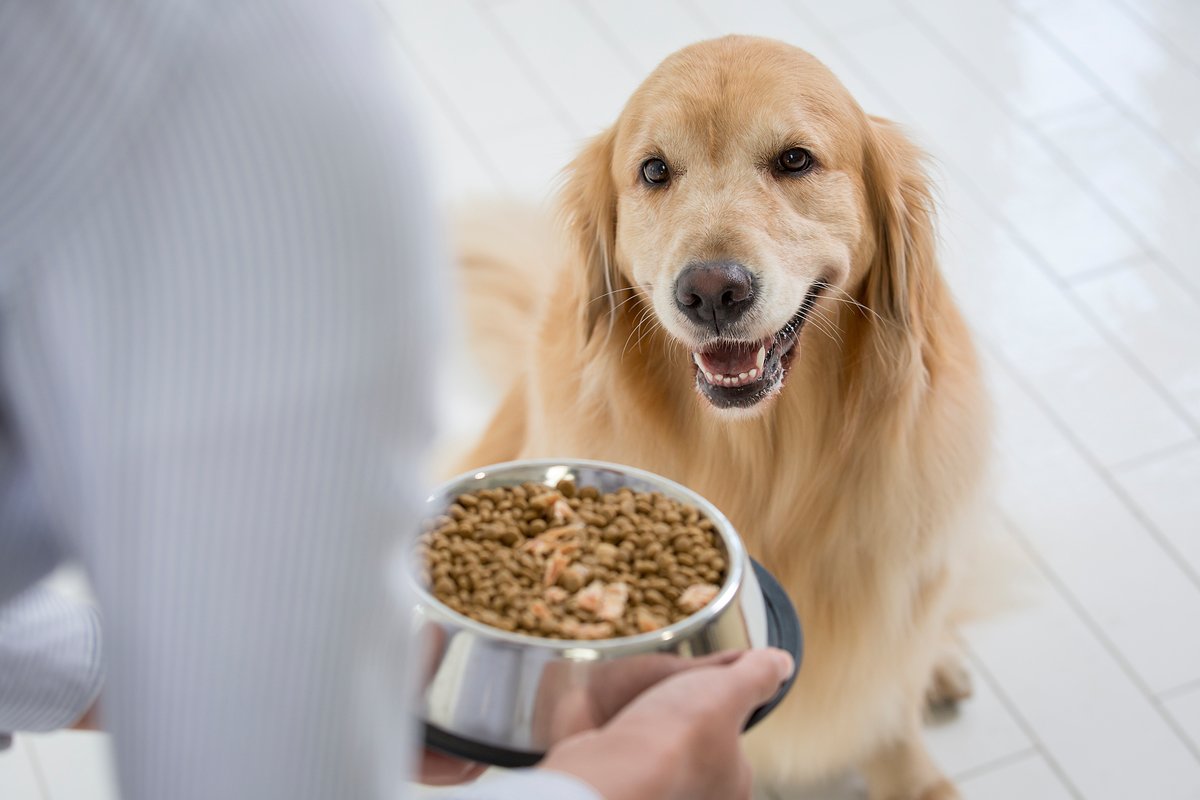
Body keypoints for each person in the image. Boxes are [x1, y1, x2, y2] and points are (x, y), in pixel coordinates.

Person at [0, 2, 793, 799]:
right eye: (656, 172)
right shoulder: (235, 66)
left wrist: (109, 670)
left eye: (792, 162)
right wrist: (598, 790)